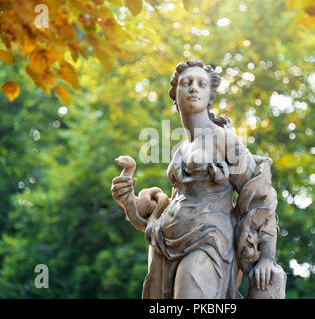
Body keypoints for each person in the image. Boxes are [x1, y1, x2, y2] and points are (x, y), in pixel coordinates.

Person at [111, 60, 285, 299]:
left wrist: (266, 257)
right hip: (167, 240)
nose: (194, 88)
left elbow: (259, 196)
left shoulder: (224, 139)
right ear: (175, 95)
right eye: (187, 83)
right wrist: (128, 198)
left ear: (210, 96)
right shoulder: (180, 150)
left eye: (201, 84)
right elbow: (173, 204)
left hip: (209, 240)